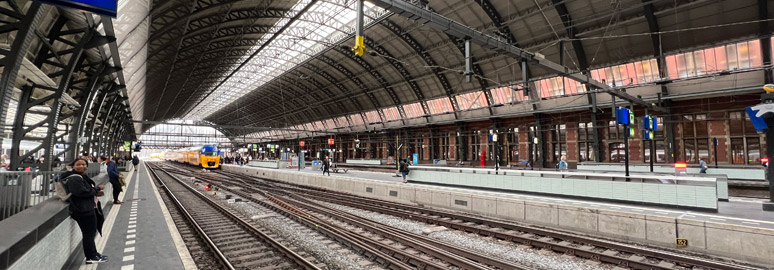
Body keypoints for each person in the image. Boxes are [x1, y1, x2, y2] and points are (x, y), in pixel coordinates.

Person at [62, 158, 108, 264]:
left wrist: (94, 191)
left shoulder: (80, 177)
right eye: (78, 164)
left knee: (90, 233)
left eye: (84, 164)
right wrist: (96, 189)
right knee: (88, 234)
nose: (81, 166)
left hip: (86, 208)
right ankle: (91, 257)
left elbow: (85, 190)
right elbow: (82, 192)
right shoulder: (74, 179)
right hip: (83, 210)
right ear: (73, 166)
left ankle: (94, 254)